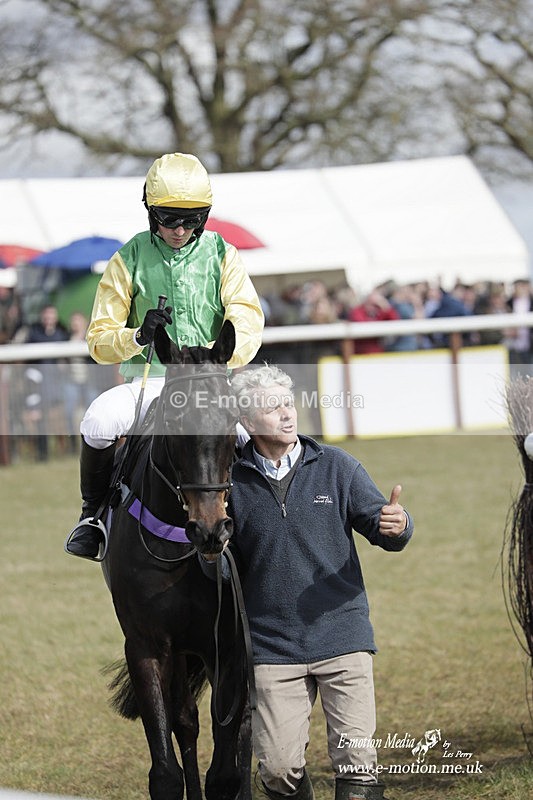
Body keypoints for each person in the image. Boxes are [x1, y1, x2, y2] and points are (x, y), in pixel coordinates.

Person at [203, 364, 414, 800]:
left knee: (357, 764)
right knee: (278, 771)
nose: (286, 414)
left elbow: (384, 528)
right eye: (271, 407)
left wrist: (399, 525)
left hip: (343, 637)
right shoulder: (230, 484)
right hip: (272, 647)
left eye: (288, 403)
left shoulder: (337, 466)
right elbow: (223, 569)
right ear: (247, 422)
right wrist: (210, 554)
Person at [65, 152, 264, 560]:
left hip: (212, 382)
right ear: (150, 212)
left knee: (264, 432)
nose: (179, 229)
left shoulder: (223, 254)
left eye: (191, 220)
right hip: (150, 380)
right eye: (169, 218)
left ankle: (271, 525)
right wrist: (139, 335)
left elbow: (247, 318)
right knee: (99, 421)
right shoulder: (128, 258)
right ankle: (93, 517)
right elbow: (98, 339)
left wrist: (217, 361)